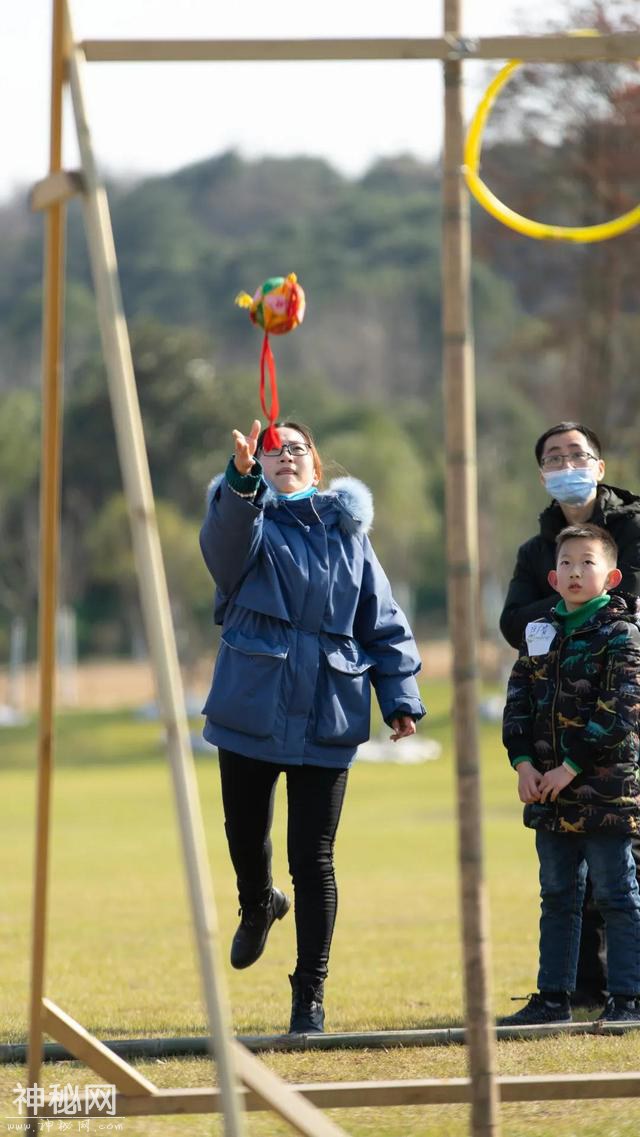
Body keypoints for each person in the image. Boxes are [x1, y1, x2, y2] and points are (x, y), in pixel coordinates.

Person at [199, 418, 426, 1034]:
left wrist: (398, 695)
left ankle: (310, 998)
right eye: (271, 454)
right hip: (251, 701)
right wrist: (240, 484)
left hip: (329, 709)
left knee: (314, 858)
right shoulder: (246, 520)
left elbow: (382, 621)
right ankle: (256, 903)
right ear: (259, 467)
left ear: (316, 466)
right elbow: (222, 547)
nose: (284, 459)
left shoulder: (349, 534)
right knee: (246, 835)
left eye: (295, 450)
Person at [500, 421, 640, 1007]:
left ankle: (627, 991)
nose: (566, 463)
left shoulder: (633, 528)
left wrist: (575, 762)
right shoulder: (537, 551)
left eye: (576, 454)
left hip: (609, 769)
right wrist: (526, 759)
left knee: (619, 883)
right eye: (553, 456)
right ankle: (567, 990)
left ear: (599, 465)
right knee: (561, 889)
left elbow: (621, 706)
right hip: (552, 778)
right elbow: (516, 632)